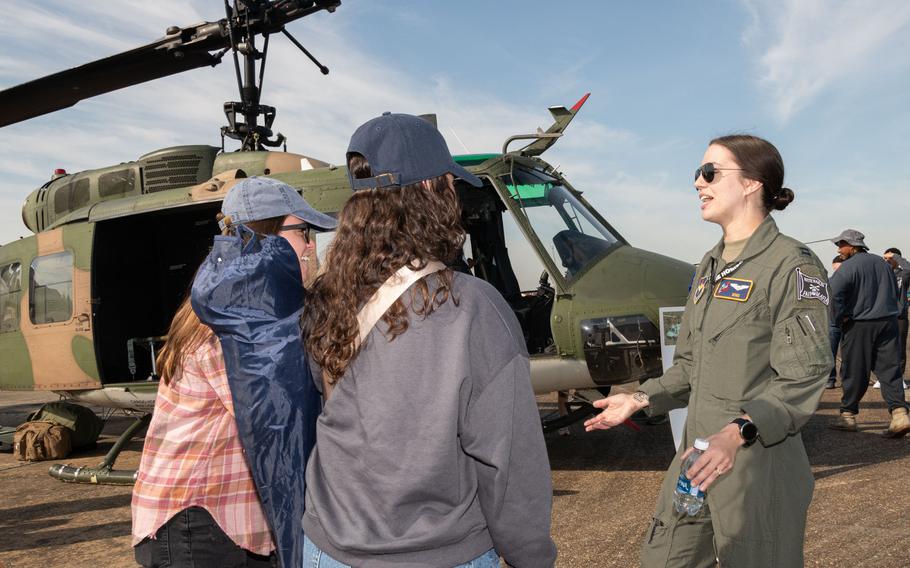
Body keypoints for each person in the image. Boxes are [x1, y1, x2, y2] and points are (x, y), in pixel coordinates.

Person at [301, 113, 557, 567]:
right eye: (448, 184)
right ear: (428, 190)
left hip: (327, 548)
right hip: (436, 554)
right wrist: (531, 556)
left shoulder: (326, 299)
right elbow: (510, 461)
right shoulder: (473, 306)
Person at [585, 134, 832, 567]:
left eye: (711, 172)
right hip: (696, 462)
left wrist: (737, 432)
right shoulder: (710, 266)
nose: (699, 183)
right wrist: (639, 398)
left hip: (755, 467)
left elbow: (803, 376)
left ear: (753, 182)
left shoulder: (791, 264)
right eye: (698, 173)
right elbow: (690, 366)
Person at [132, 177, 337, 568]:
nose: (311, 246)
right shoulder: (234, 319)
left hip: (221, 526)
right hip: (198, 526)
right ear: (265, 237)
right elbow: (279, 410)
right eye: (303, 232)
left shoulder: (245, 307)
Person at [826, 230, 910, 436]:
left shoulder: (847, 268)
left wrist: (837, 320)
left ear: (852, 246)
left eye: (841, 244)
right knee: (890, 370)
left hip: (859, 325)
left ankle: (847, 416)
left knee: (854, 370)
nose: (839, 249)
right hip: (888, 323)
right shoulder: (883, 264)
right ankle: (900, 414)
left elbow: (834, 295)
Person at [883, 247, 909, 388]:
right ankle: (883, 377)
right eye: (885, 259)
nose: (887, 261)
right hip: (882, 315)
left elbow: (909, 268)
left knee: (899, 347)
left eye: (890, 258)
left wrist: (897, 257)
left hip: (899, 316)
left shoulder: (903, 274)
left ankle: (899, 377)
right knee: (883, 348)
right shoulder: (881, 272)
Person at [826, 255, 844, 389]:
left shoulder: (852, 281)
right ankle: (830, 379)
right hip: (832, 322)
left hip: (848, 321)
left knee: (848, 353)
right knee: (829, 353)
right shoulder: (828, 281)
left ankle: (846, 379)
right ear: (833, 266)